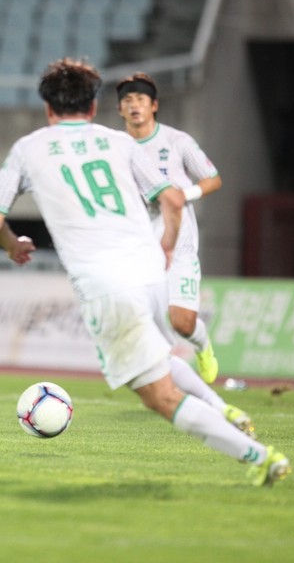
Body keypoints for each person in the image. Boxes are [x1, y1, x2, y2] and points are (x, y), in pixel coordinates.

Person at [0, 58, 290, 486]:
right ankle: (225, 410)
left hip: (106, 285)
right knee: (162, 355)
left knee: (159, 396)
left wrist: (14, 246)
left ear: (49, 108)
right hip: (148, 271)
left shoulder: (28, 149)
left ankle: (260, 457)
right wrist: (164, 247)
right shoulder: (121, 143)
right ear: (93, 107)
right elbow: (174, 200)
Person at [116, 72, 221, 384]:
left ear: (154, 106)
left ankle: (202, 345)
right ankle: (158, 379)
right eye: (127, 101)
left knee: (182, 322)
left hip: (179, 243)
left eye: (140, 100)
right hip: (136, 245)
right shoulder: (114, 147)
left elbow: (213, 178)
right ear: (120, 109)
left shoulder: (177, 141)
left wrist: (182, 195)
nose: (134, 106)